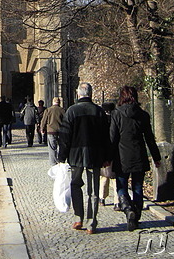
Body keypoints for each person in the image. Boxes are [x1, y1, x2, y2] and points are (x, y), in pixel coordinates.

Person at [58, 82, 110, 235]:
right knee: (93, 191)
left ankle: (78, 217)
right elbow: (106, 137)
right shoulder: (99, 112)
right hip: (95, 155)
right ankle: (91, 222)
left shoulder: (72, 111)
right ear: (91, 94)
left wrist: (62, 156)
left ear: (78, 94)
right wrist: (107, 157)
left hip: (75, 155)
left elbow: (65, 136)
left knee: (75, 185)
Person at [110, 85, 161, 231]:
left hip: (121, 157)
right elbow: (149, 138)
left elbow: (112, 138)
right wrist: (156, 157)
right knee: (138, 187)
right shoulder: (143, 115)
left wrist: (108, 157)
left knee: (121, 186)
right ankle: (136, 214)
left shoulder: (116, 114)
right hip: (139, 155)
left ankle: (127, 209)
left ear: (122, 97)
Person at [99, 102, 117, 206]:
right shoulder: (116, 118)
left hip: (104, 151)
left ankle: (102, 198)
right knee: (115, 177)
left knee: (104, 177)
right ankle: (117, 201)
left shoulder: (101, 120)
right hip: (115, 150)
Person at [41, 97, 64, 165]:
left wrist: (42, 129)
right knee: (60, 146)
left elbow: (43, 120)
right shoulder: (62, 110)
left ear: (52, 102)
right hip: (60, 131)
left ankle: (53, 162)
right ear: (59, 102)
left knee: (52, 147)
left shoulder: (48, 110)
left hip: (51, 131)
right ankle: (60, 160)